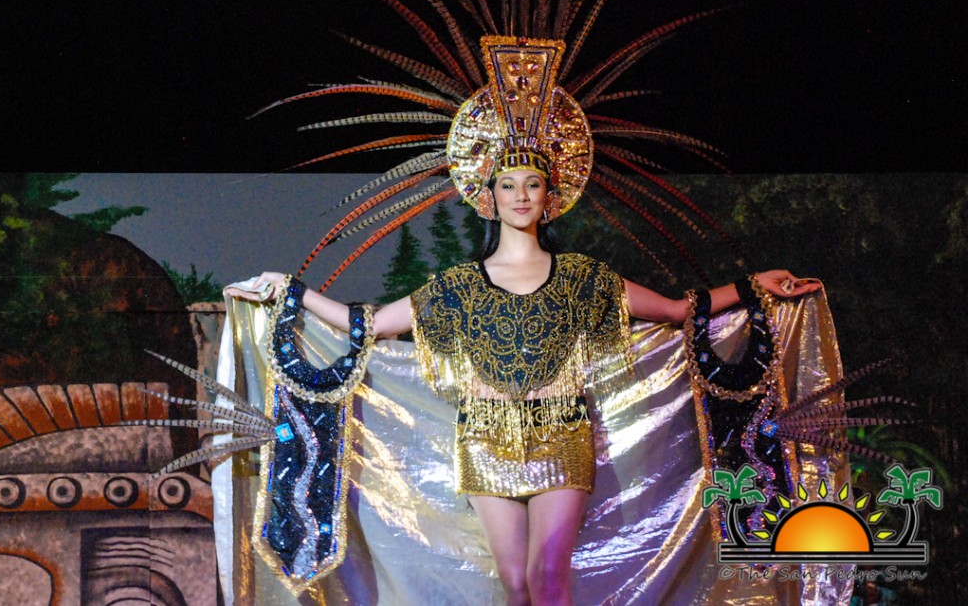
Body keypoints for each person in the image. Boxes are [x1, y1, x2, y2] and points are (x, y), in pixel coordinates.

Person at [229, 163, 819, 606]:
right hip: (484, 439)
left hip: (562, 434)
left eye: (532, 184)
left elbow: (673, 310)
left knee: (548, 576)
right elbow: (374, 324)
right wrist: (291, 289)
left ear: (548, 197)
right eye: (508, 185)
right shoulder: (457, 285)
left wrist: (752, 287)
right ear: (488, 199)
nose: (520, 195)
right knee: (515, 584)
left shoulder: (586, 277)